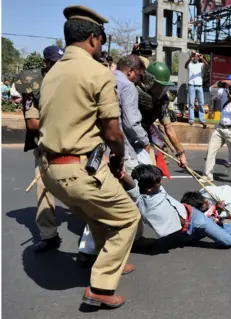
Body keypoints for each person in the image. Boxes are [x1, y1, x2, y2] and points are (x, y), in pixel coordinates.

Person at [37, 5, 141, 307]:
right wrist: (120, 159)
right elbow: (113, 132)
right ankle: (101, 287)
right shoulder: (97, 72)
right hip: (79, 170)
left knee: (97, 214)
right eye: (102, 41)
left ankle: (101, 256)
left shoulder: (52, 72)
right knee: (127, 218)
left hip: (51, 172)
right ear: (94, 39)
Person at [17, 45, 64, 253]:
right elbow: (32, 123)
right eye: (54, 63)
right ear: (46, 63)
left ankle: (92, 238)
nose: (57, 68)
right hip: (45, 145)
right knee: (43, 189)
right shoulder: (33, 85)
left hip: (74, 143)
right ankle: (49, 234)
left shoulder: (69, 79)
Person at [129, 165, 231, 248]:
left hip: (195, 219)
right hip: (182, 234)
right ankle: (215, 221)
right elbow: (131, 187)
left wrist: (121, 173)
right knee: (193, 237)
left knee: (229, 241)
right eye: (158, 182)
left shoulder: (155, 189)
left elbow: (132, 183)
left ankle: (228, 225)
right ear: (149, 188)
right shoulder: (141, 201)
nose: (161, 183)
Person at [113, 55, 150, 174]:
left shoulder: (105, 79)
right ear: (130, 71)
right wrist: (144, 141)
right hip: (124, 150)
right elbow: (130, 123)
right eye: (139, 75)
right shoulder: (128, 86)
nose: (138, 79)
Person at [185, 51, 208, 128]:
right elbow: (185, 65)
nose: (195, 57)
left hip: (199, 86)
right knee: (191, 103)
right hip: (191, 85)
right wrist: (190, 57)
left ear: (198, 57)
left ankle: (202, 119)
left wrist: (202, 58)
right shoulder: (190, 64)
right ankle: (191, 119)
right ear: (192, 57)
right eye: (194, 56)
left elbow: (207, 65)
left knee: (201, 103)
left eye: (197, 56)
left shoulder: (201, 64)